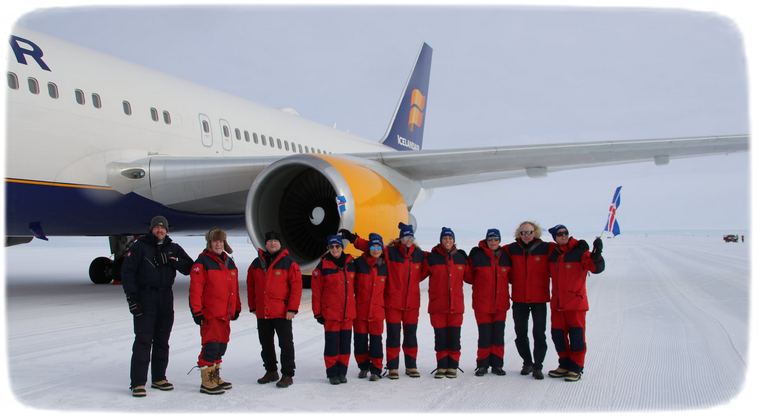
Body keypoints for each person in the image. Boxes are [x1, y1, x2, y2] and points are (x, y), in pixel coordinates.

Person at [341, 222, 426, 379]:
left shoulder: (420, 255)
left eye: (410, 237)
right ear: (400, 238)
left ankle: (411, 366)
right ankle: (393, 367)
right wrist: (354, 239)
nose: (408, 240)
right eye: (405, 237)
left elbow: (432, 264)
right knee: (393, 336)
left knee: (411, 336)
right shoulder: (390, 253)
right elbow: (373, 247)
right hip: (393, 303)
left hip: (412, 304)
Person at [121, 215, 193, 397]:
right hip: (145, 297)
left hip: (165, 297)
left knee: (162, 340)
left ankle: (159, 378)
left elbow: (189, 267)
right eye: (157, 227)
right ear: (151, 229)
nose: (160, 230)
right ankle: (138, 383)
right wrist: (132, 299)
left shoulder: (173, 248)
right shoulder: (139, 247)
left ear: (167, 230)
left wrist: (173, 261)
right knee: (143, 340)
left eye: (163, 228)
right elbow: (127, 273)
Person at [546, 225, 605, 382]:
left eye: (565, 233)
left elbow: (596, 268)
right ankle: (564, 364)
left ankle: (576, 367)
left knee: (576, 336)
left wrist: (597, 254)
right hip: (557, 305)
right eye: (559, 234)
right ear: (554, 237)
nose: (563, 236)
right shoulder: (553, 253)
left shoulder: (580, 252)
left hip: (575, 304)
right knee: (557, 335)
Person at [246, 231, 302, 388]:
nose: (272, 243)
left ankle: (287, 374)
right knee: (266, 344)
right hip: (263, 312)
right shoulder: (256, 264)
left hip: (282, 312)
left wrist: (292, 309)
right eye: (269, 241)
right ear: (265, 244)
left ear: (280, 244)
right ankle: (271, 371)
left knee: (285, 344)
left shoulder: (289, 263)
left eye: (275, 241)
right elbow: (250, 286)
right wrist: (253, 306)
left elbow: (296, 288)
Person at [189, 228, 241, 394]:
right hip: (210, 314)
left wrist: (236, 307)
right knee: (210, 346)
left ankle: (215, 376)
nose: (218, 244)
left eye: (221, 241)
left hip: (225, 314)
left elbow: (234, 288)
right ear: (209, 243)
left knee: (221, 347)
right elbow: (195, 289)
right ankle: (207, 381)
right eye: (215, 241)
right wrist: (197, 311)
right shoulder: (202, 263)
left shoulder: (229, 262)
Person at [505, 221, 555, 380]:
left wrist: (579, 246)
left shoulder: (546, 248)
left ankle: (538, 366)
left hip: (539, 299)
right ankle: (527, 362)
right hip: (519, 299)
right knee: (520, 333)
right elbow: (493, 249)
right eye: (523, 232)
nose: (526, 235)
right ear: (518, 234)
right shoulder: (511, 249)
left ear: (536, 232)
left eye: (529, 232)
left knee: (539, 333)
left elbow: (565, 248)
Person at [465, 228, 512, 377]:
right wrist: (467, 260)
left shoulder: (505, 256)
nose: (493, 242)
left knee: (498, 335)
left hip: (500, 304)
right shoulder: (478, 256)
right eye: (490, 239)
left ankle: (497, 365)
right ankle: (482, 365)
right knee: (484, 335)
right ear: (486, 240)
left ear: (499, 240)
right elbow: (468, 278)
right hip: (482, 304)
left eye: (495, 239)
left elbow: (512, 277)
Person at [312, 235, 357, 385]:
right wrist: (317, 312)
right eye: (331, 247)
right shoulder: (322, 267)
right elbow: (316, 292)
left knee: (345, 345)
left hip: (347, 313)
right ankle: (332, 373)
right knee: (332, 345)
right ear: (328, 249)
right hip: (331, 314)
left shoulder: (351, 263)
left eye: (337, 246)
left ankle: (342, 372)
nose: (335, 249)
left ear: (342, 247)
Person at [424, 227, 468, 379]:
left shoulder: (461, 258)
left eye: (450, 238)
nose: (447, 241)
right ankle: (442, 366)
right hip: (438, 306)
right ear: (441, 240)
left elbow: (472, 277)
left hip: (456, 306)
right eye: (445, 238)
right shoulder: (432, 258)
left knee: (454, 338)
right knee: (440, 338)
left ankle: (453, 366)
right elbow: (417, 274)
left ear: (454, 240)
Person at [352, 233, 388, 381]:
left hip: (377, 311)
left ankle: (376, 369)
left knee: (376, 342)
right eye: (372, 247)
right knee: (360, 341)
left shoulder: (385, 265)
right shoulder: (358, 264)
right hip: (360, 310)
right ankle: (363, 366)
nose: (375, 250)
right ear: (368, 248)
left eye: (378, 247)